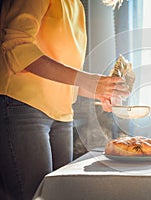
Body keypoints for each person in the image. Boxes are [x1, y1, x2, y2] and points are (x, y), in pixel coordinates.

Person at [0, 0, 130, 199]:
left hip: (62, 115)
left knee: (60, 194)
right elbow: (17, 47)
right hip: (24, 106)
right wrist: (88, 80)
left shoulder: (76, 5)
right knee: (34, 195)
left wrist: (98, 90)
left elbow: (61, 75)